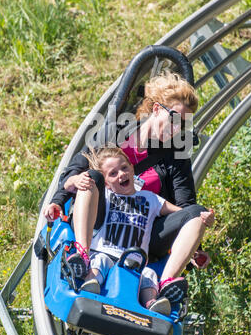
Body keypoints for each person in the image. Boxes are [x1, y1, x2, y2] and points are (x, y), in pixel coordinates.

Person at [44, 71, 214, 280]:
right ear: (156, 109)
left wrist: (196, 243)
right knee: (92, 176)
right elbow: (77, 167)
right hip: (101, 221)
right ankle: (83, 255)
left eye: (183, 124)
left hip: (143, 233)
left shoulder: (176, 156)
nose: (177, 129)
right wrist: (58, 202)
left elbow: (185, 206)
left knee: (196, 212)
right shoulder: (115, 133)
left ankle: (165, 284)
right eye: (174, 119)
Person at [65, 147, 214, 316]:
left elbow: (184, 214)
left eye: (124, 168)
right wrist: (75, 179)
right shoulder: (105, 194)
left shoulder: (151, 199)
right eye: (113, 174)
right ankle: (88, 275)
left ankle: (157, 296)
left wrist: (202, 218)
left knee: (149, 275)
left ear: (132, 168)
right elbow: (68, 185)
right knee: (100, 261)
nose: (121, 174)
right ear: (106, 182)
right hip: (105, 252)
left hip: (136, 262)